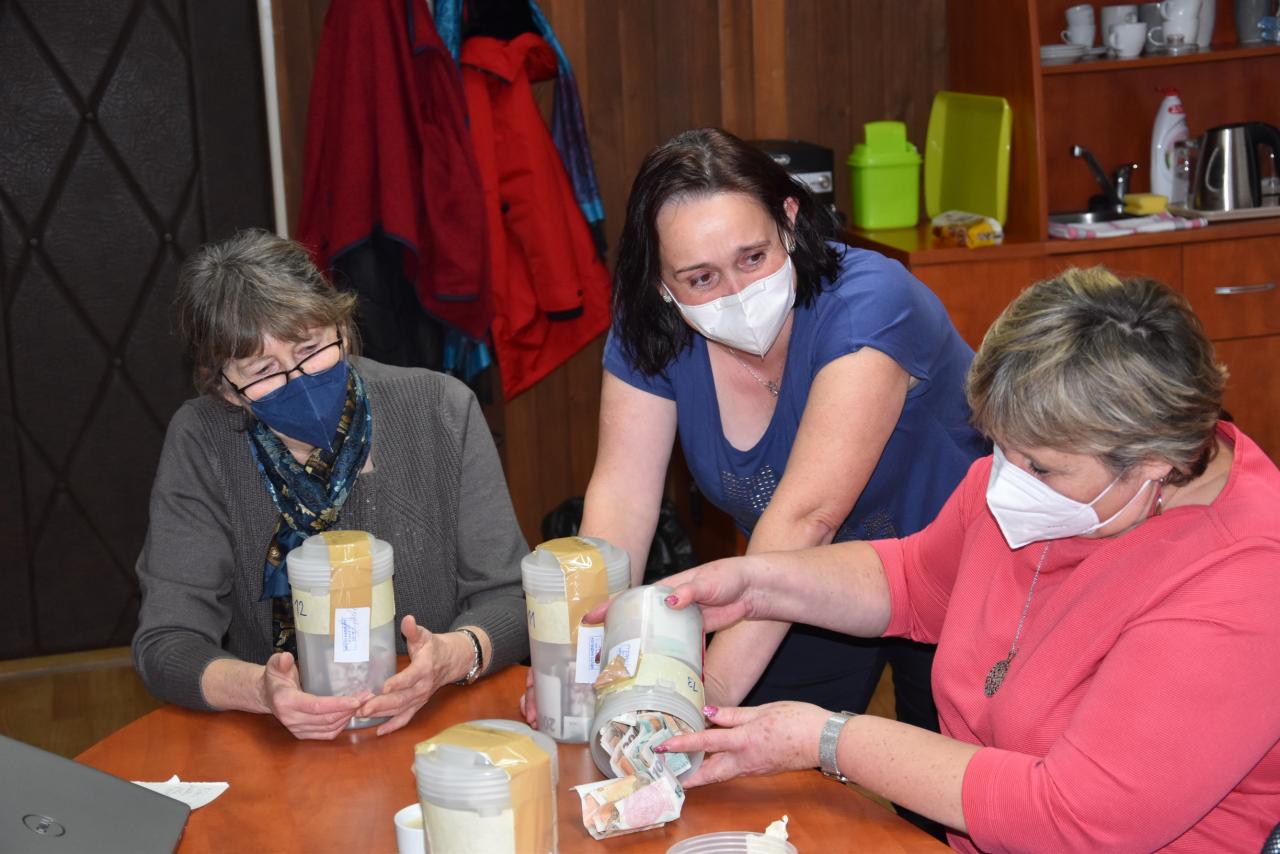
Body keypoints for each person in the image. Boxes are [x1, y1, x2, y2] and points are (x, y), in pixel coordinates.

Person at [638, 267, 1280, 852]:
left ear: (1154, 463)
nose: (1004, 482)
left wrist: (826, 740)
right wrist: (759, 585)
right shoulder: (1080, 486)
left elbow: (1071, 816)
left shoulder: (1245, 585)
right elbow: (918, 582)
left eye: (1040, 467)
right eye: (999, 447)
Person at [524, 128, 985, 735]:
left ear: (788, 220)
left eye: (753, 258)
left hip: (957, 572)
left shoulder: (871, 303)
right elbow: (622, 500)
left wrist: (696, 703)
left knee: (929, 776)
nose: (738, 293)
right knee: (757, 768)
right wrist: (577, 662)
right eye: (701, 278)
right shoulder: (650, 330)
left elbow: (808, 516)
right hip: (801, 573)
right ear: (661, 284)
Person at [132, 230, 529, 739]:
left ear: (341, 325)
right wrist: (260, 690)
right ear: (226, 390)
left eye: (310, 347)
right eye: (263, 369)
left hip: (436, 720)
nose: (298, 379)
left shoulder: (440, 409)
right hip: (276, 736)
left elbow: (510, 598)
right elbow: (167, 642)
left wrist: (450, 657)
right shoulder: (203, 440)